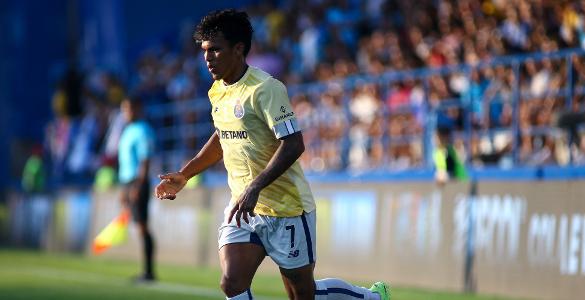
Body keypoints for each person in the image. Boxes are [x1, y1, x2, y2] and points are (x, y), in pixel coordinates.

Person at [155, 9, 390, 300]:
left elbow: (294, 143)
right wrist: (185, 173)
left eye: (215, 49)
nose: (207, 57)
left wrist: (256, 186)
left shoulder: (266, 89)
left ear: (239, 49)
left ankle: (370, 297)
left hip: (286, 208)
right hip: (243, 208)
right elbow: (223, 135)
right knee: (232, 283)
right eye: (205, 50)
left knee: (304, 294)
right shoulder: (217, 91)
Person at [118, 96, 156, 282]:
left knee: (142, 226)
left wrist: (137, 187)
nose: (126, 113)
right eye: (124, 110)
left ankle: (149, 272)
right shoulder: (127, 131)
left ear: (138, 109)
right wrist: (123, 189)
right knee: (138, 226)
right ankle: (146, 271)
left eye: (129, 109)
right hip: (127, 182)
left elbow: (145, 161)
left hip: (137, 182)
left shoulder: (143, 130)